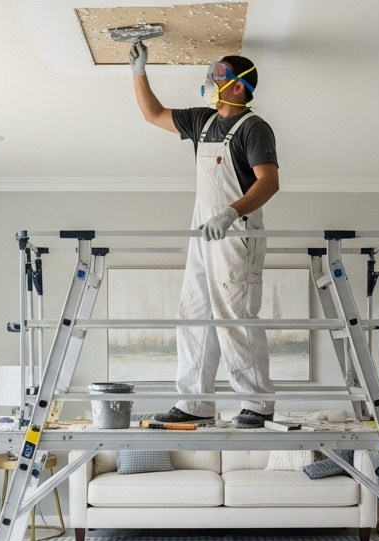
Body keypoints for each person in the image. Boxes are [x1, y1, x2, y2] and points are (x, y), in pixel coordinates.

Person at [129, 42, 280, 428]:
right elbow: (153, 114)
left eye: (217, 73)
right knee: (193, 313)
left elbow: (269, 182)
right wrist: (138, 73)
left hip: (235, 232)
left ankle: (257, 404)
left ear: (238, 86)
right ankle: (195, 403)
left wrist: (231, 213)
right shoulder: (203, 120)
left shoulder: (254, 128)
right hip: (202, 231)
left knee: (235, 316)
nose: (209, 79)